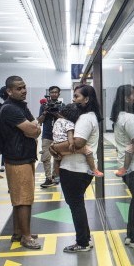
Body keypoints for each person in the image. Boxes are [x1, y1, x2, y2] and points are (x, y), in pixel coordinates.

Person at [53, 84, 103, 253]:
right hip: (76, 168)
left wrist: (55, 147)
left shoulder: (85, 119)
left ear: (87, 99)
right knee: (76, 204)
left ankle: (82, 242)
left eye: (77, 97)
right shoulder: (87, 117)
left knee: (75, 205)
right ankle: (84, 239)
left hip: (76, 169)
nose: (73, 100)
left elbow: (79, 143)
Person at [0, 76, 42, 250]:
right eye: (19, 88)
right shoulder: (10, 109)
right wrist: (33, 129)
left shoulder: (20, 106)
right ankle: (25, 236)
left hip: (24, 157)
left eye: (24, 87)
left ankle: (19, 231)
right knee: (23, 199)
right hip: (17, 159)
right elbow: (33, 129)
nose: (24, 91)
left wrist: (33, 129)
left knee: (22, 198)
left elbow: (34, 127)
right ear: (9, 91)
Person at [109, 85, 134, 246]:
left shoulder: (119, 117)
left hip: (128, 167)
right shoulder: (130, 119)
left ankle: (132, 235)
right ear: (126, 99)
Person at [51, 104, 103, 177]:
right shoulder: (69, 123)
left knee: (57, 159)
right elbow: (70, 135)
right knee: (88, 151)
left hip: (57, 145)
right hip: (67, 146)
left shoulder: (57, 121)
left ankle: (57, 175)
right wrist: (72, 143)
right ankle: (94, 169)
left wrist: (54, 144)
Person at [38, 86, 64, 188]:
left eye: (55, 92)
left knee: (57, 158)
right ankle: (48, 178)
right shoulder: (44, 106)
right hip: (47, 135)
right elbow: (39, 121)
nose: (53, 94)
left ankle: (55, 176)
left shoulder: (62, 105)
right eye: (52, 92)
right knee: (45, 158)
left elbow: (65, 119)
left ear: (58, 94)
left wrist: (56, 113)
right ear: (49, 93)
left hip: (58, 135)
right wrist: (45, 112)